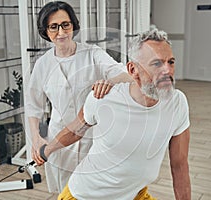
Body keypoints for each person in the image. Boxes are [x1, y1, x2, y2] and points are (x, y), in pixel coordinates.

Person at [38, 28, 191, 200]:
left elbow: (179, 165)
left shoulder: (177, 103)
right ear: (133, 70)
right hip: (85, 196)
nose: (167, 70)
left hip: (134, 194)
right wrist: (46, 150)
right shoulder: (103, 98)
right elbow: (74, 131)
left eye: (171, 62)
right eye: (157, 63)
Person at [25, 1, 132, 196]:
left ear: (73, 25)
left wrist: (111, 82)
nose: (61, 32)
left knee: (94, 191)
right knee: (64, 192)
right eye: (53, 27)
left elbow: (126, 74)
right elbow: (33, 107)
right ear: (45, 31)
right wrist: (36, 139)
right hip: (59, 138)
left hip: (93, 137)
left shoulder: (93, 54)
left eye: (65, 24)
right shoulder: (42, 65)